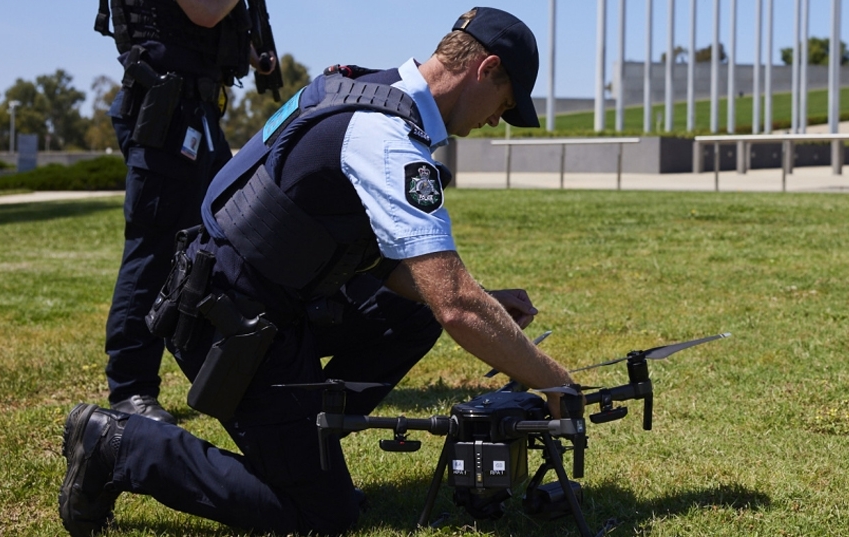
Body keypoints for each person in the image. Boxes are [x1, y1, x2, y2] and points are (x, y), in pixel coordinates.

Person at [60, 7, 575, 536]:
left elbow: (379, 261)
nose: (495, 119)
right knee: (322, 518)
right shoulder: (387, 137)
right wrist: (556, 382)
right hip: (234, 325)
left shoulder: (354, 86)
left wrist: (481, 299)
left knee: (416, 310)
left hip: (257, 294)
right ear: (486, 69)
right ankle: (116, 444)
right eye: (504, 104)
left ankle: (304, 444)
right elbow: (457, 305)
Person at [95, 0, 279, 424]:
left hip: (197, 110)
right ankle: (131, 389)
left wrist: (253, 55)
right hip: (166, 113)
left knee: (222, 240)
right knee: (154, 249)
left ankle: (228, 369)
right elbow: (204, 11)